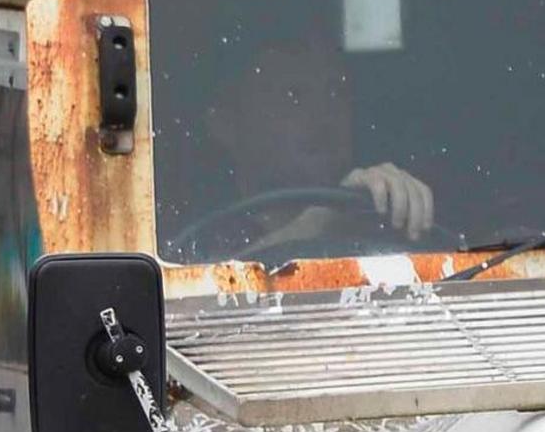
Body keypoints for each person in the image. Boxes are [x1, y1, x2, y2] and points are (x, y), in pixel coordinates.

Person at [175, 28, 436, 261]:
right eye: (294, 95)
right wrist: (320, 223)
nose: (325, 115)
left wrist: (402, 205)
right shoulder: (194, 240)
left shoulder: (378, 225)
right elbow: (217, 295)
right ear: (226, 123)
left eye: (336, 92)